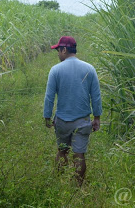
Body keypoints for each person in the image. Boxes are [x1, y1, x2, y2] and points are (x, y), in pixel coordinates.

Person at [43, 36, 102, 186]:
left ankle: (57, 184)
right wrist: (97, 117)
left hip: (62, 121)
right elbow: (96, 96)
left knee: (62, 151)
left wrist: (47, 116)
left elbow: (49, 96)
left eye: (58, 50)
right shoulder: (89, 69)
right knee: (79, 154)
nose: (57, 53)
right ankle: (77, 188)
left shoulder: (55, 70)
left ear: (64, 50)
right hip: (83, 121)